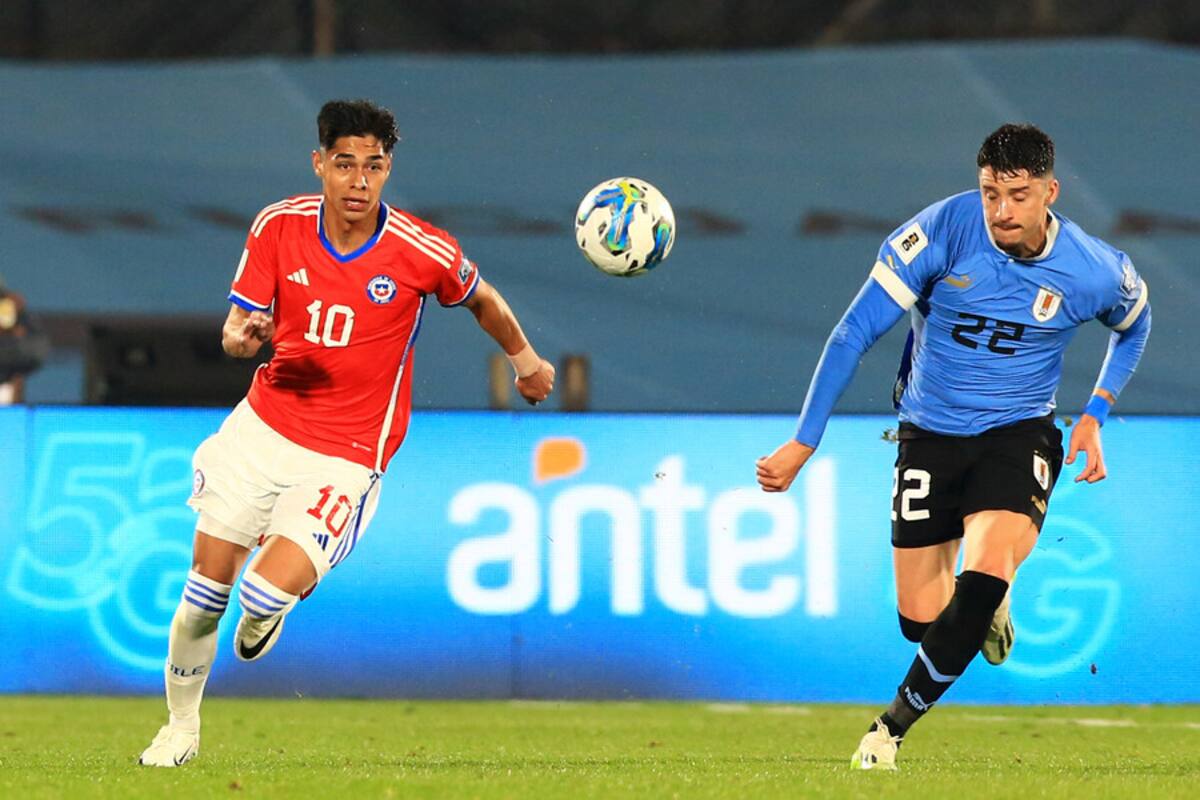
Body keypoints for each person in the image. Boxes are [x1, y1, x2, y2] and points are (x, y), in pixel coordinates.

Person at [139, 99, 555, 767]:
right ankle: (180, 727)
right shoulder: (279, 226)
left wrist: (526, 361)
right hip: (261, 431)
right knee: (201, 597)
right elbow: (239, 324)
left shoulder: (422, 250)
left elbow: (482, 298)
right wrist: (241, 339)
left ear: (388, 170)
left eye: (374, 167)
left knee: (258, 593)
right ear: (319, 165)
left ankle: (269, 610)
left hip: (344, 456)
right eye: (345, 165)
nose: (359, 182)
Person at [755, 124, 1150, 770]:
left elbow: (1135, 325)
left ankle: (889, 730)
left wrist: (1095, 413)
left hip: (1018, 433)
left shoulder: (1092, 268)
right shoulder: (938, 233)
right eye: (991, 192)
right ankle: (988, 606)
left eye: (1018, 195)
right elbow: (853, 332)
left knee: (984, 573)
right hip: (929, 436)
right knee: (923, 623)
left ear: (1050, 192)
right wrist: (805, 442)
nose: (1001, 211)